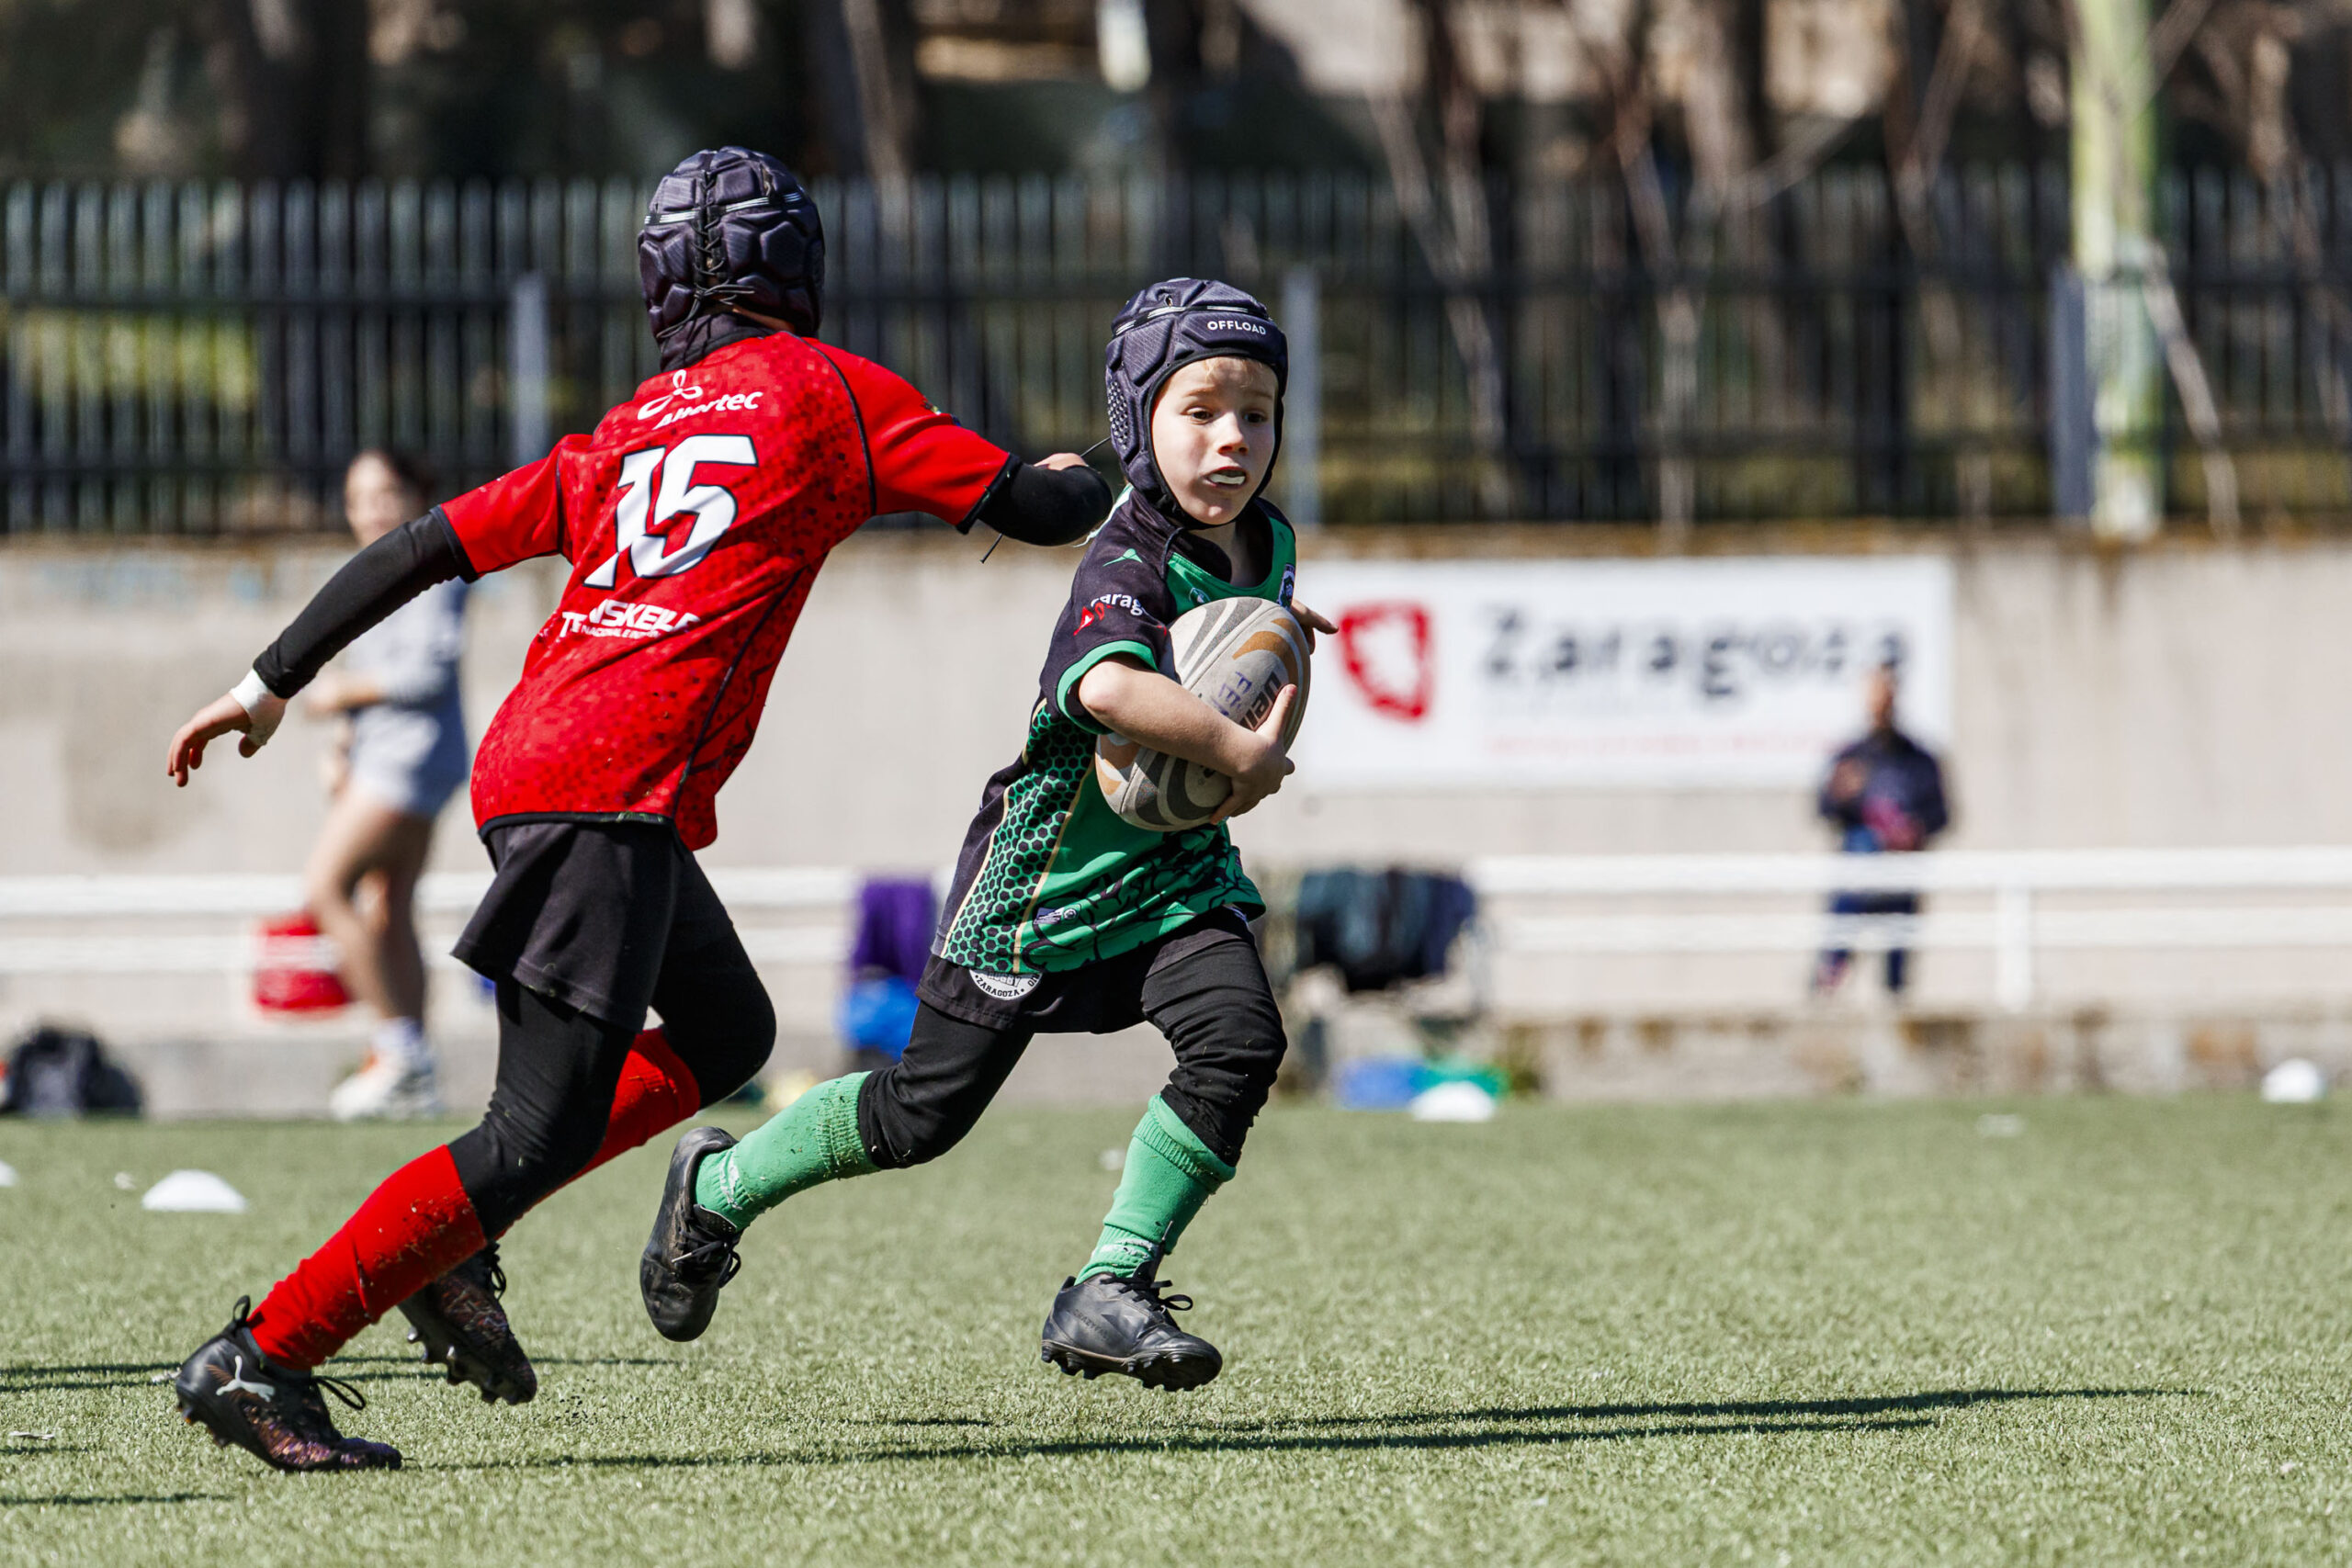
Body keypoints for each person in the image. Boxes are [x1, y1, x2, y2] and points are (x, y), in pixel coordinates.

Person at [158, 147, 1113, 1473]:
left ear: (661, 282)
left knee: (729, 1029)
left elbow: (421, 542)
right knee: (527, 1134)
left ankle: (446, 1249)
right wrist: (1139, 442)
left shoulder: (627, 427)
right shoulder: (834, 393)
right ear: (800, 266)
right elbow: (1049, 504)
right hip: (609, 785)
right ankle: (265, 1354)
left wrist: (267, 682)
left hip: (548, 758)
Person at [639, 278, 1332, 1394]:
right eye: (1200, 408)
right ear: (1136, 420)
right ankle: (715, 1192)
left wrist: (1275, 635)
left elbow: (1238, 651)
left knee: (1240, 1039)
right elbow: (1103, 686)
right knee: (921, 1115)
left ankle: (1108, 1286)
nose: (1233, 438)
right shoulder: (1129, 553)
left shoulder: (1269, 541)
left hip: (1168, 877)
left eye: (1256, 412)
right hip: (1041, 880)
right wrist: (1237, 749)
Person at [303, 449, 469, 1120]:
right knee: (389, 906)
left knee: (323, 888)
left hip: (409, 761)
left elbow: (426, 674)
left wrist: (340, 694)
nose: (371, 508)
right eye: (357, 497)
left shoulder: (428, 567)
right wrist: (343, 740)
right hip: (391, 756)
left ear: (412, 494)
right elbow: (375, 667)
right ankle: (415, 1069)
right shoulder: (372, 571)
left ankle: (398, 1048)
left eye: (385, 492)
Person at [1813, 660, 1951, 998]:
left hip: (1902, 871)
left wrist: (1913, 831)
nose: (1880, 706)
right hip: (1858, 873)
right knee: (1840, 938)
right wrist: (1841, 793)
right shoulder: (1850, 756)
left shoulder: (1918, 758)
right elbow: (1824, 809)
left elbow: (1942, 814)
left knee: (1896, 965)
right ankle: (1829, 980)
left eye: (1885, 697)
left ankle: (1895, 1000)